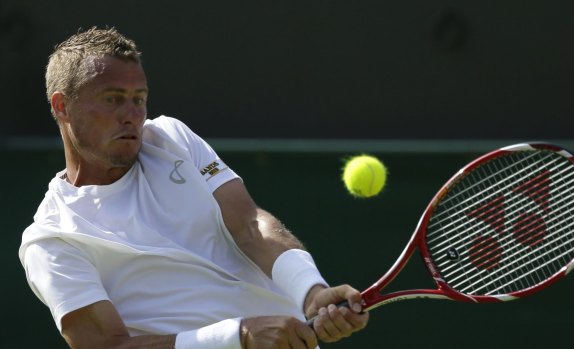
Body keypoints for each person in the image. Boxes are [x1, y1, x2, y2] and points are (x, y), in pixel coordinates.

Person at [18, 26, 369, 349]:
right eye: (112, 99)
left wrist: (310, 290)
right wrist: (238, 336)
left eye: (138, 99)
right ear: (62, 106)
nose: (131, 115)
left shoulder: (172, 138)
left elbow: (249, 225)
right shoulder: (50, 239)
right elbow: (107, 346)